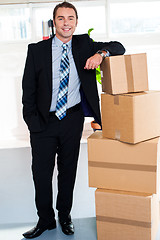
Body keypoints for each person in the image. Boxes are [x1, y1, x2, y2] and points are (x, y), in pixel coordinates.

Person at [22, 1, 125, 239]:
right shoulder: (36, 50)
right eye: (61, 18)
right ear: (54, 22)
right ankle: (45, 220)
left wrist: (101, 55)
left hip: (72, 120)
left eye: (70, 18)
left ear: (76, 22)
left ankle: (64, 216)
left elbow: (119, 46)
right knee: (41, 172)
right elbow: (28, 89)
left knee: (68, 171)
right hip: (43, 124)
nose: (66, 23)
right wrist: (32, 122)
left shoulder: (84, 44)